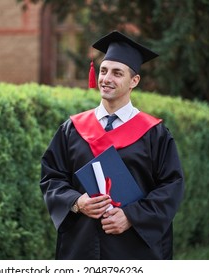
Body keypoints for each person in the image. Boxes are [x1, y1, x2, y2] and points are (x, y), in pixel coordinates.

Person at [40, 30, 185, 260]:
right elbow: (51, 177)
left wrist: (131, 216)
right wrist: (77, 202)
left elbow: (171, 186)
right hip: (81, 245)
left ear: (134, 81)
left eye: (117, 73)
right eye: (104, 71)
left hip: (134, 250)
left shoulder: (154, 133)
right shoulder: (72, 129)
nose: (106, 79)